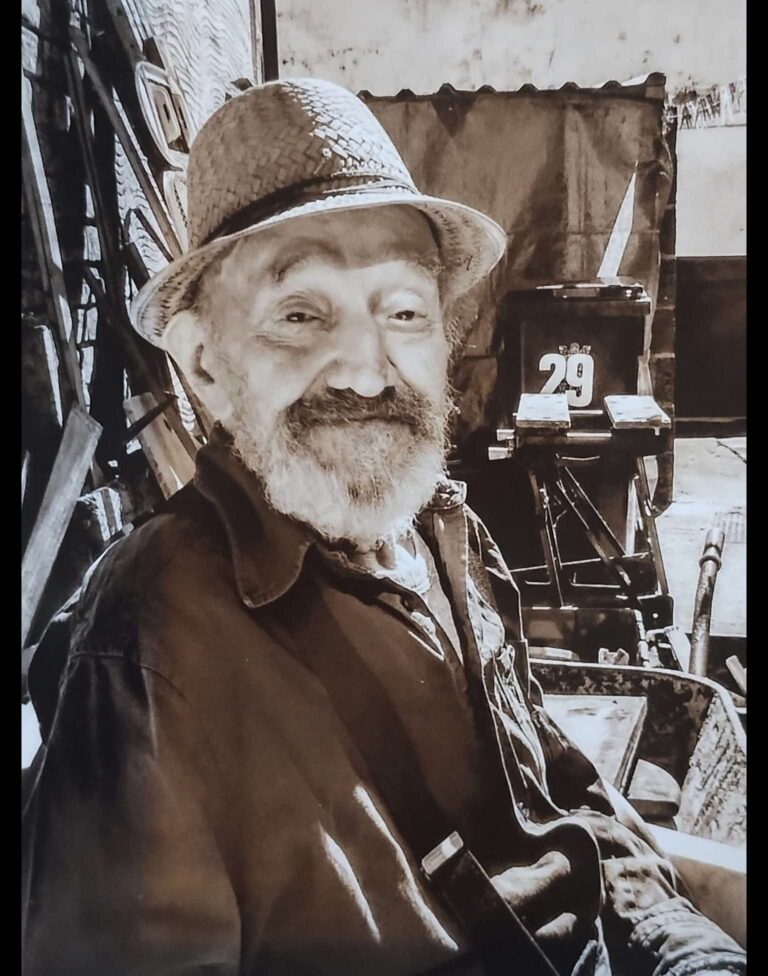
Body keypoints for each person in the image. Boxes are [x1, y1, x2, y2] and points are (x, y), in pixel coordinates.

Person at [22, 78, 745, 976]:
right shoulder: (150, 641)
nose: (367, 370)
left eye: (404, 312)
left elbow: (560, 801)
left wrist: (689, 952)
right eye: (299, 315)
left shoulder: (447, 535)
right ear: (204, 366)